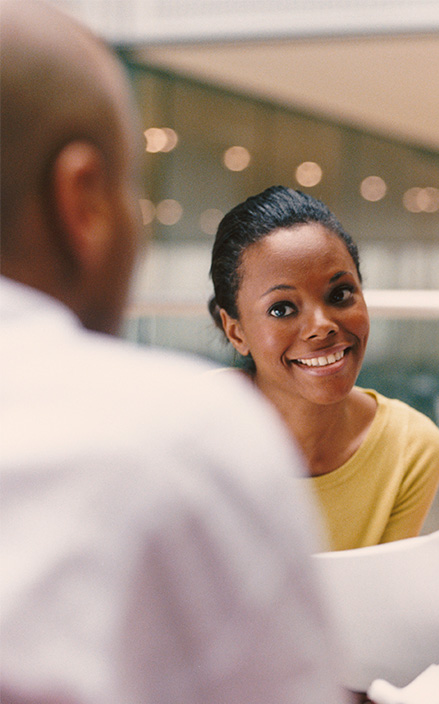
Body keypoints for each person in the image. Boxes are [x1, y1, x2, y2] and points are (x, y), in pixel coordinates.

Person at [0, 2, 349, 702]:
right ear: (85, 199)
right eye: (135, 190)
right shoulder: (177, 436)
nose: (320, 327)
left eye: (340, 293)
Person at [208, 185, 439, 550]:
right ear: (235, 330)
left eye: (340, 295)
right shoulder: (191, 430)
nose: (322, 325)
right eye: (282, 309)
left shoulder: (410, 448)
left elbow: (381, 598)